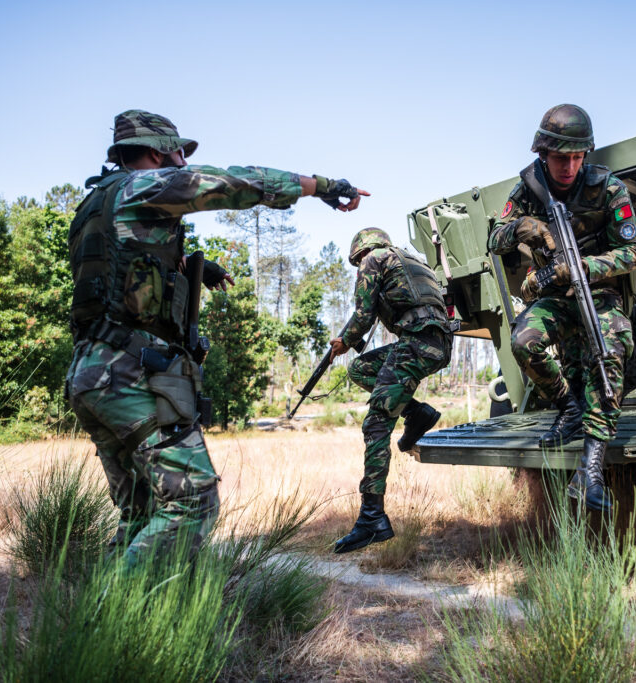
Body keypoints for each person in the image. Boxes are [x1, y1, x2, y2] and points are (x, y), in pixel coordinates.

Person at [65, 109, 368, 565]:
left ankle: (108, 621)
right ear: (154, 152)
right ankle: (109, 621)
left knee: (140, 512)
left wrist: (188, 270)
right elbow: (233, 183)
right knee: (192, 501)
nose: (183, 163)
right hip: (127, 374)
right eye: (179, 153)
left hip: (90, 373)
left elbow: (116, 275)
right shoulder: (142, 186)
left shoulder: (95, 204)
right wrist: (322, 186)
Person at [487, 104, 636, 512]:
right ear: (543, 152)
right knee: (524, 342)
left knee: (608, 357)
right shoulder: (527, 188)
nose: (570, 166)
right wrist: (523, 227)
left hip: (599, 292)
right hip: (556, 298)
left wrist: (581, 268)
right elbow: (495, 239)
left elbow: (632, 253)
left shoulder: (608, 187)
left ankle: (590, 472)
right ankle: (569, 409)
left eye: (578, 157)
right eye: (561, 157)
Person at [329, 228, 453, 553]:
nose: (359, 267)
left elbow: (363, 313)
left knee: (376, 422)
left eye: (357, 262)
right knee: (360, 369)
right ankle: (416, 411)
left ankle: (372, 518)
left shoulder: (374, 259)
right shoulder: (411, 260)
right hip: (436, 343)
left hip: (416, 343)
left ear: (360, 252)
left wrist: (345, 340)